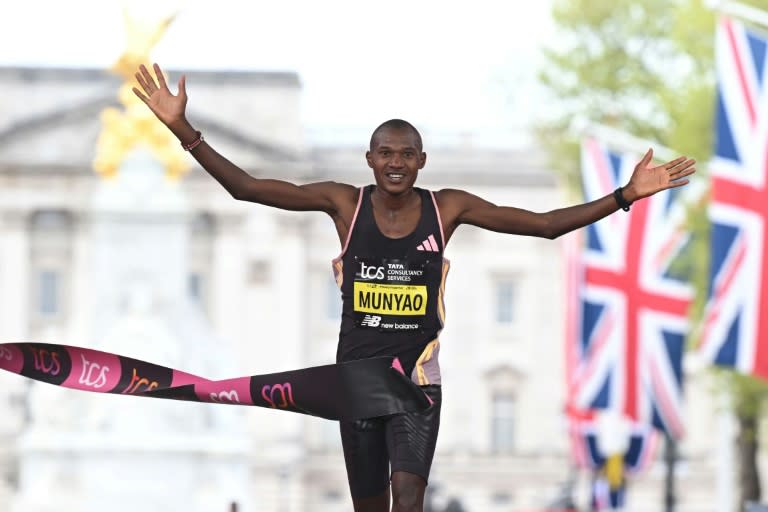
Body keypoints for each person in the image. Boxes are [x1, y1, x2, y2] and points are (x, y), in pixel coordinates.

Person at [132, 63, 696, 512]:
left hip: (416, 384)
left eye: (407, 155)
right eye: (386, 154)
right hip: (355, 383)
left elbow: (545, 225)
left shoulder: (447, 208)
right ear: (370, 159)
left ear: (421, 161)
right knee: (372, 505)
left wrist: (624, 196)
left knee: (410, 499)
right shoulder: (343, 203)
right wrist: (183, 130)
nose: (396, 164)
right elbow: (248, 189)